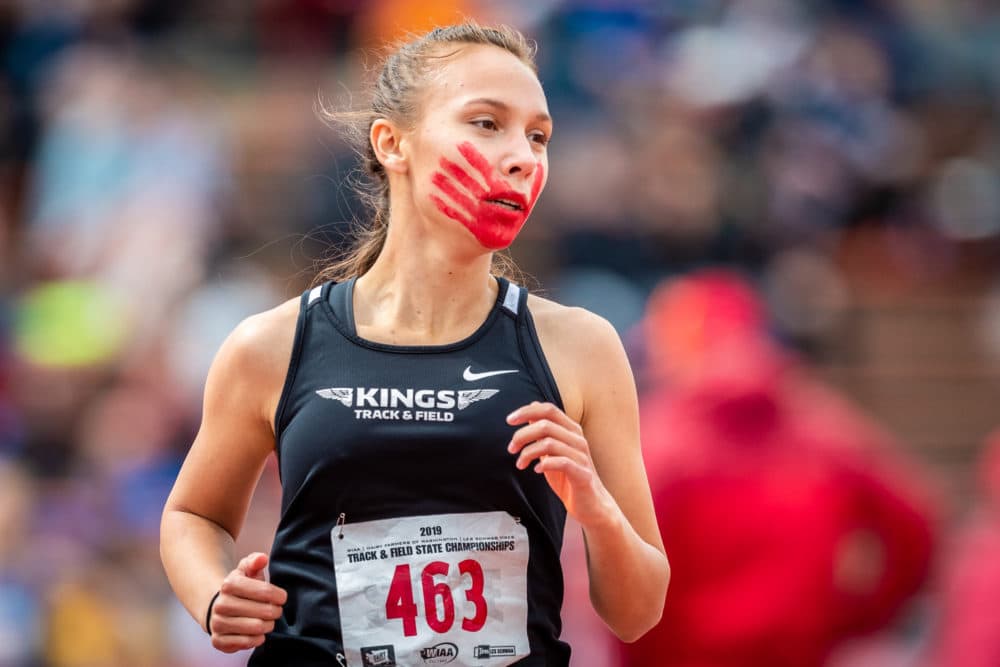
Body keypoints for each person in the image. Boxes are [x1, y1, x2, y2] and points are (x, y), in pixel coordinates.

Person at [160, 23, 669, 667]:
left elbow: (638, 612)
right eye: (487, 123)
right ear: (392, 143)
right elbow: (193, 516)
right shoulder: (274, 344)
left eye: (538, 136)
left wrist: (595, 508)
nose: (522, 155)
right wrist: (214, 597)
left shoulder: (580, 347)